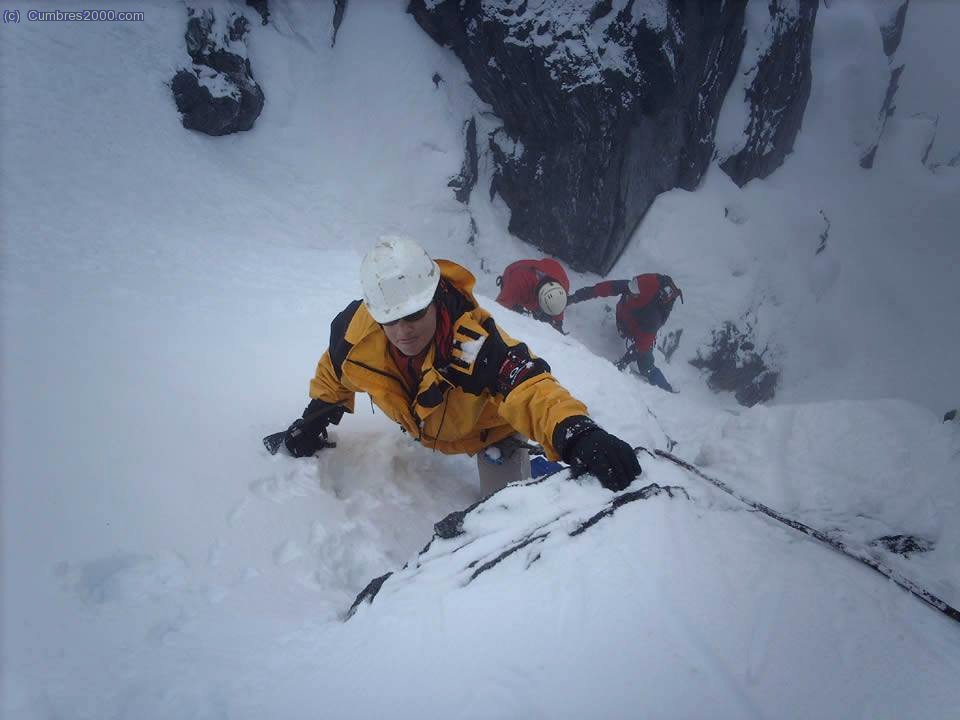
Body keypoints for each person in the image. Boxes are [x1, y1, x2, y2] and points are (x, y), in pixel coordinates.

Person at [280, 236, 640, 497]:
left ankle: (540, 463)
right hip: (434, 427)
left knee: (508, 511)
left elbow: (529, 387)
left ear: (436, 300)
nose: (403, 332)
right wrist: (315, 419)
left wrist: (578, 434)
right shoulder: (355, 337)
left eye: (415, 315)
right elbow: (335, 371)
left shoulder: (475, 344)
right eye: (391, 320)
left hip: (490, 433)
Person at [567, 273, 683, 392]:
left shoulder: (653, 317)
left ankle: (667, 388)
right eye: (631, 286)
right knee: (624, 325)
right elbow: (601, 289)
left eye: (633, 291)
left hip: (641, 336)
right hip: (625, 320)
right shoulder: (632, 287)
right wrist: (575, 297)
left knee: (646, 367)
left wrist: (623, 362)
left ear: (643, 295)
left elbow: (641, 346)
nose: (629, 290)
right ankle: (622, 329)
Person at [495, 258, 569, 332]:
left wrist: (558, 323)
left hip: (534, 276)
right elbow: (497, 310)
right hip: (514, 273)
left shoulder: (563, 282)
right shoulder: (516, 284)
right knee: (513, 316)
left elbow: (557, 301)